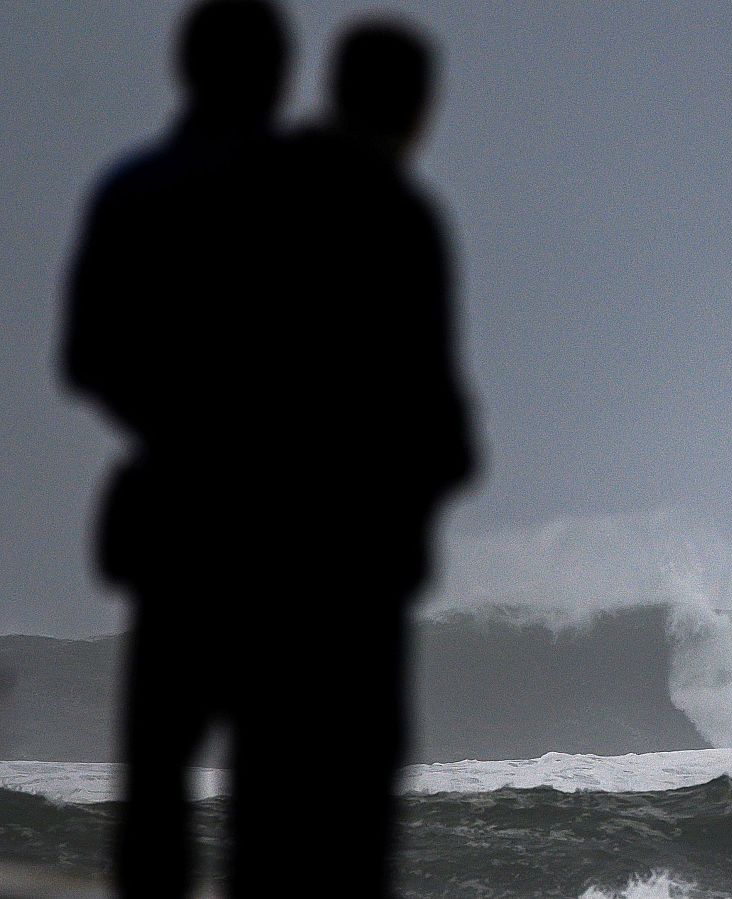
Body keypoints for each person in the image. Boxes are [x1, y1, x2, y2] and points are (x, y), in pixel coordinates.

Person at [61, 2, 474, 895]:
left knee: (157, 791)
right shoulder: (378, 212)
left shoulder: (163, 189)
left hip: (180, 530)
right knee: (289, 813)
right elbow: (434, 428)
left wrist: (179, 433)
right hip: (319, 563)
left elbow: (91, 359)